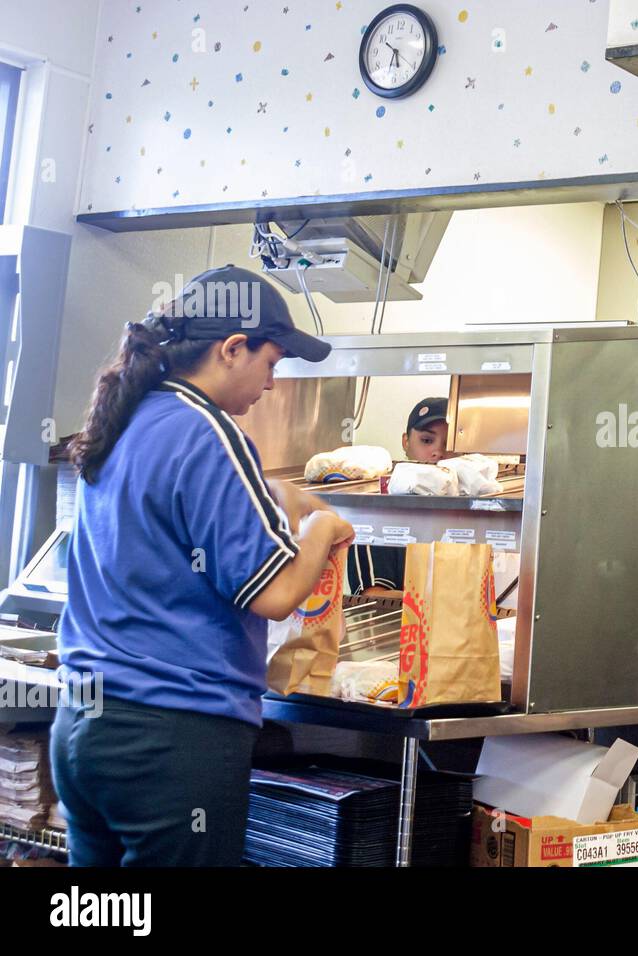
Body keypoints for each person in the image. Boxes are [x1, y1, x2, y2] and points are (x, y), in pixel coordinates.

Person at [53, 265, 355, 866]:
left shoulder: (127, 419)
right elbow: (273, 595)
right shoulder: (209, 430)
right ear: (232, 348)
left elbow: (181, 511)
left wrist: (277, 498)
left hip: (84, 730)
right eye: (271, 364)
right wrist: (322, 527)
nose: (271, 385)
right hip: (171, 740)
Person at [346, 396, 452, 598]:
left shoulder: (465, 514)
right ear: (406, 441)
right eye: (427, 441)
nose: (438, 452)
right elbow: (373, 594)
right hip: (394, 627)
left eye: (448, 443)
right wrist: (444, 605)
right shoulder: (379, 511)